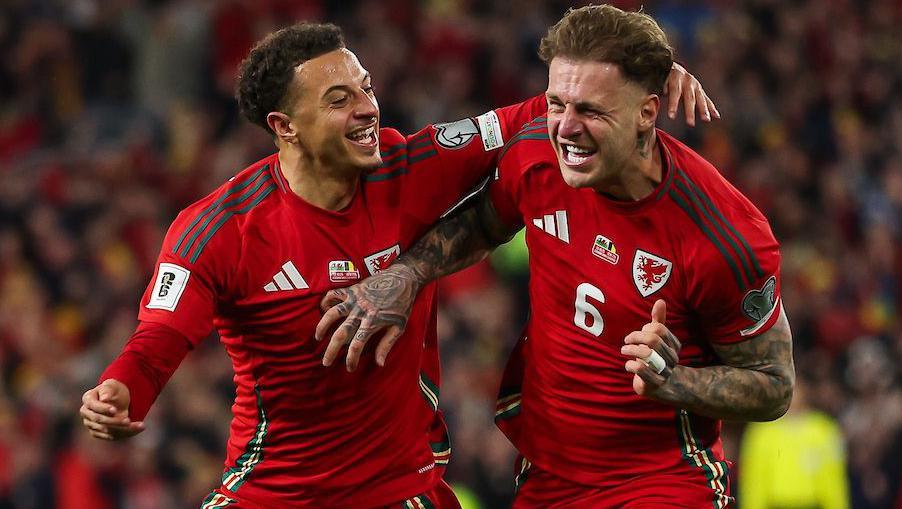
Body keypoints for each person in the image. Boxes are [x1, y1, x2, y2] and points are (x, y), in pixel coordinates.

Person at [77, 21, 716, 509]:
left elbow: (528, 117)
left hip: (400, 490)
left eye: (366, 88)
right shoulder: (219, 229)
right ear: (284, 126)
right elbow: (160, 336)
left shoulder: (407, 167)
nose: (366, 108)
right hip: (274, 490)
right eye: (338, 100)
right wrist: (122, 389)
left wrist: (638, 82)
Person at [317, 5, 793, 508]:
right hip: (548, 476)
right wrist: (409, 274)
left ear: (647, 113)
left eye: (591, 111)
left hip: (660, 480)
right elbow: (482, 222)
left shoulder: (724, 236)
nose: (566, 128)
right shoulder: (536, 155)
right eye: (555, 104)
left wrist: (676, 382)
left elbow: (773, 386)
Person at [739, 376, 849, 509]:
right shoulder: (761, 431)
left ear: (806, 390)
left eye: (796, 387)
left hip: (813, 504)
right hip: (775, 505)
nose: (793, 392)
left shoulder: (824, 430)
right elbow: (754, 481)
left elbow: (834, 479)